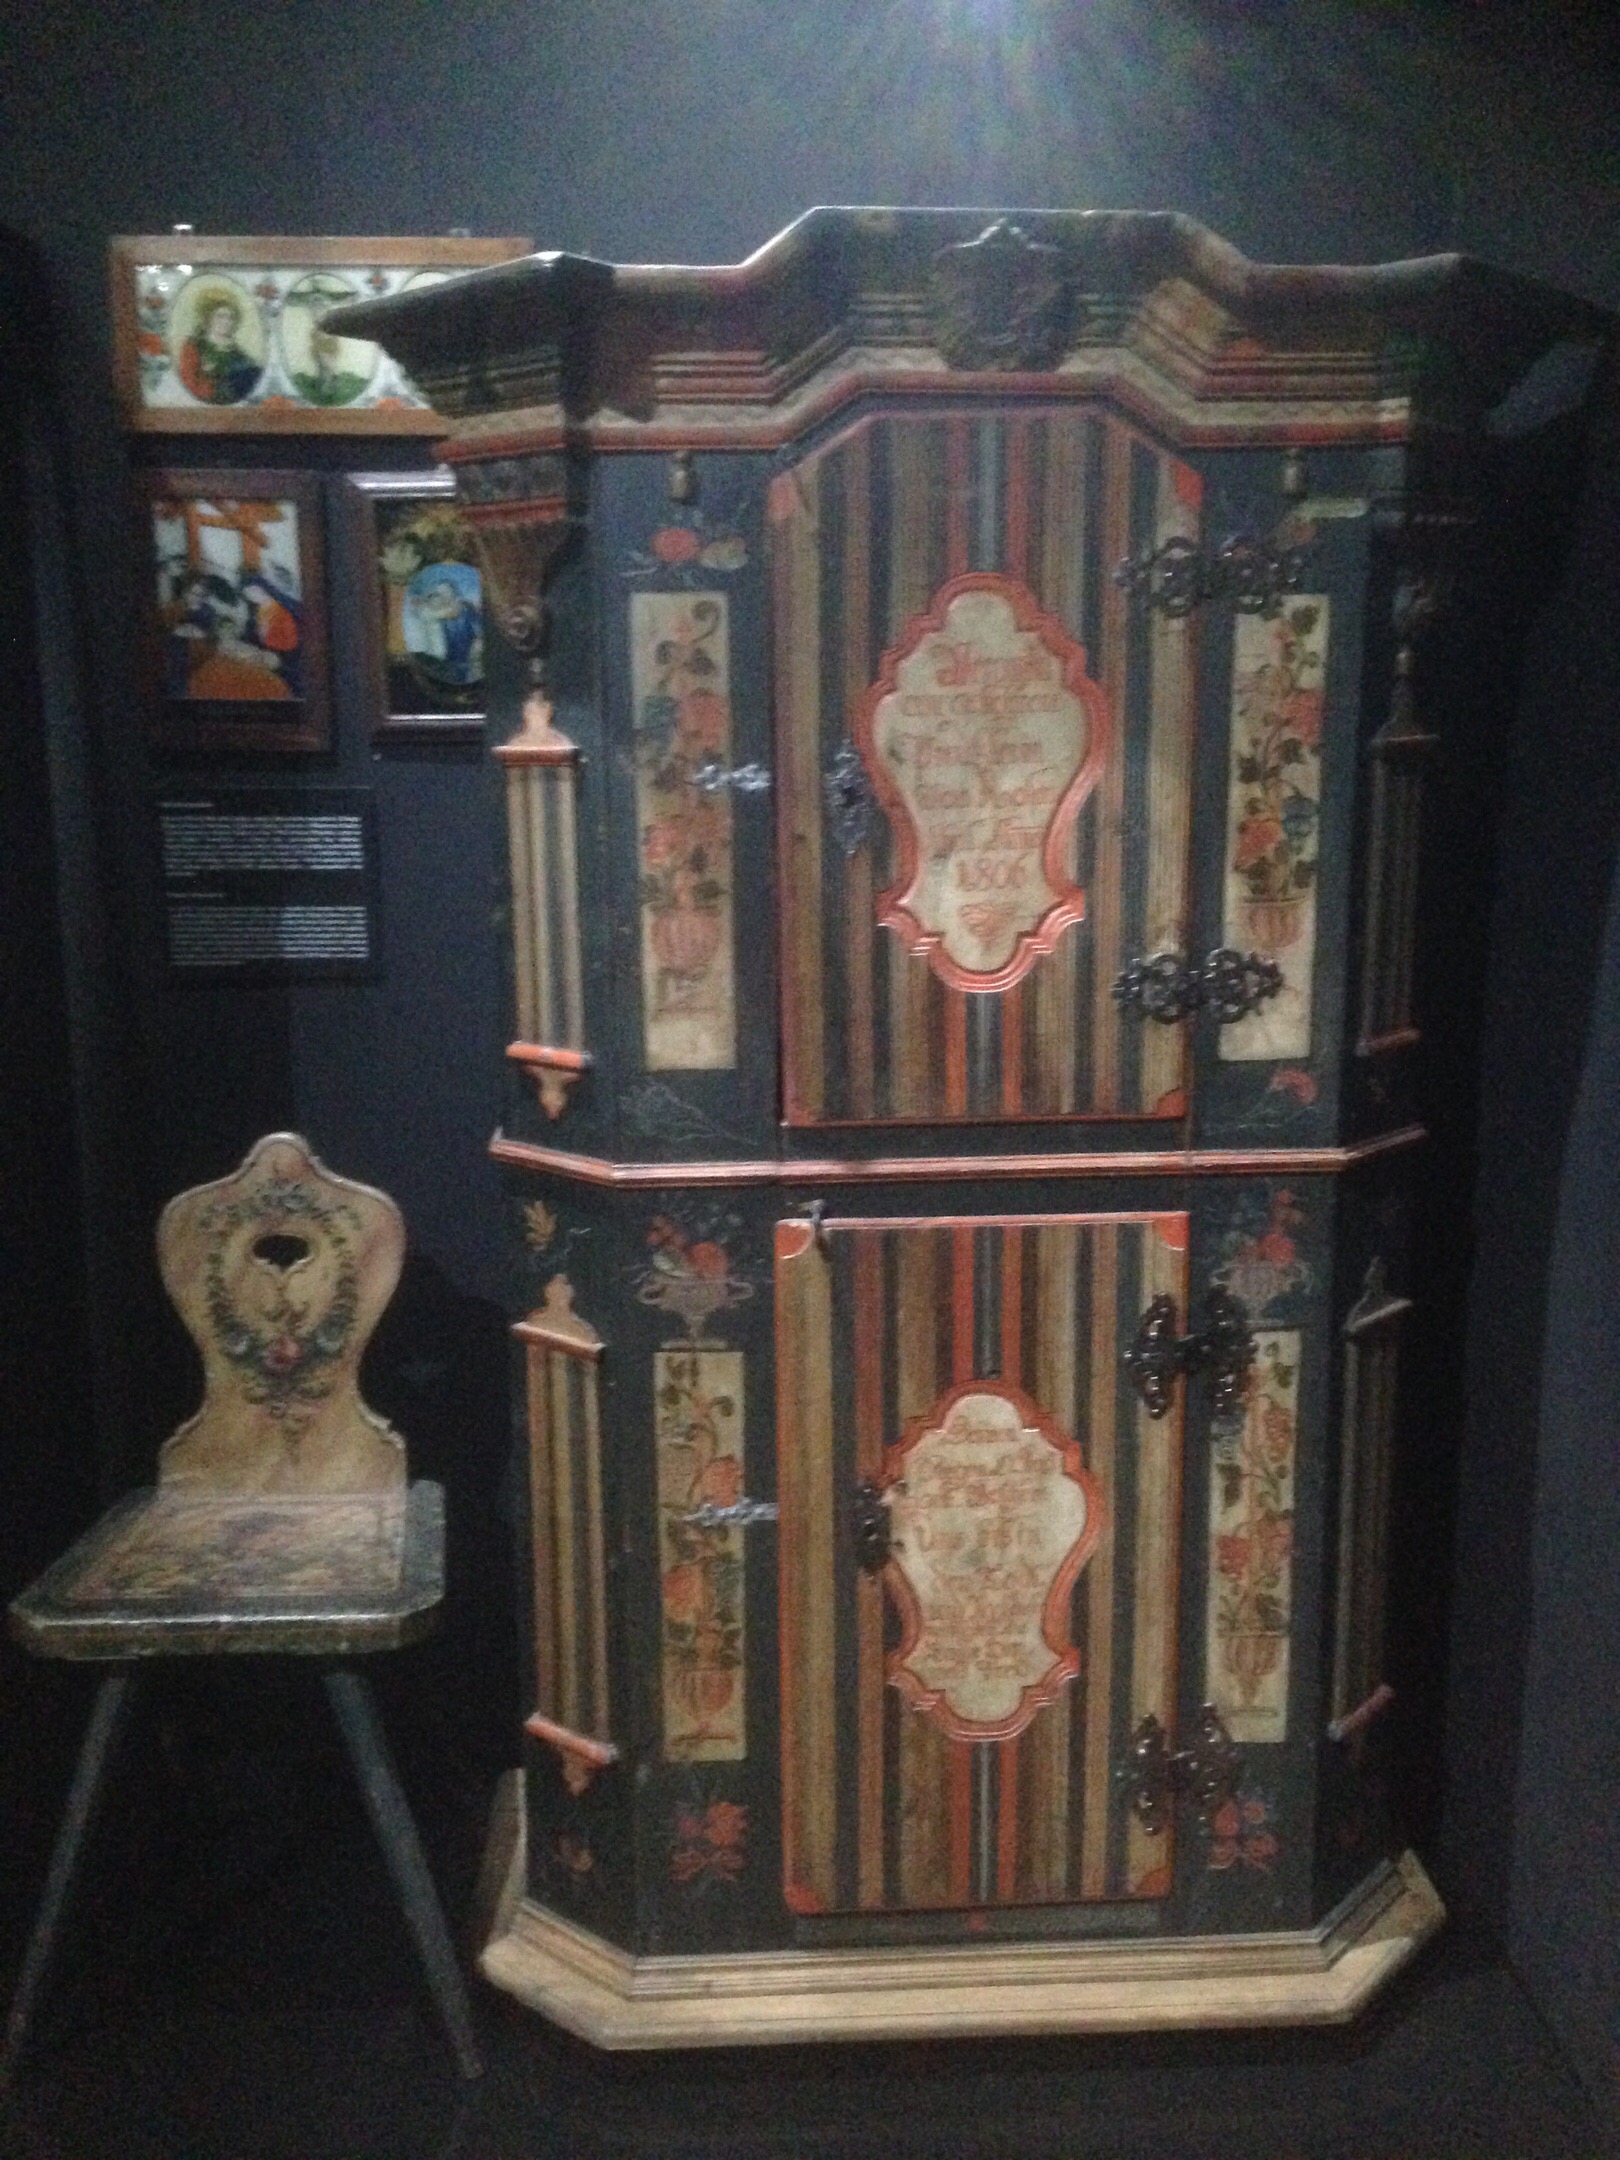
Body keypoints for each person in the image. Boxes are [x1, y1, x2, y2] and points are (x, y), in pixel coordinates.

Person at [177, 291, 262, 405]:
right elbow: (190, 381)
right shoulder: (194, 347)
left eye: (230, 318)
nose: (226, 322)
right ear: (208, 318)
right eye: (220, 316)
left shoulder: (236, 351)